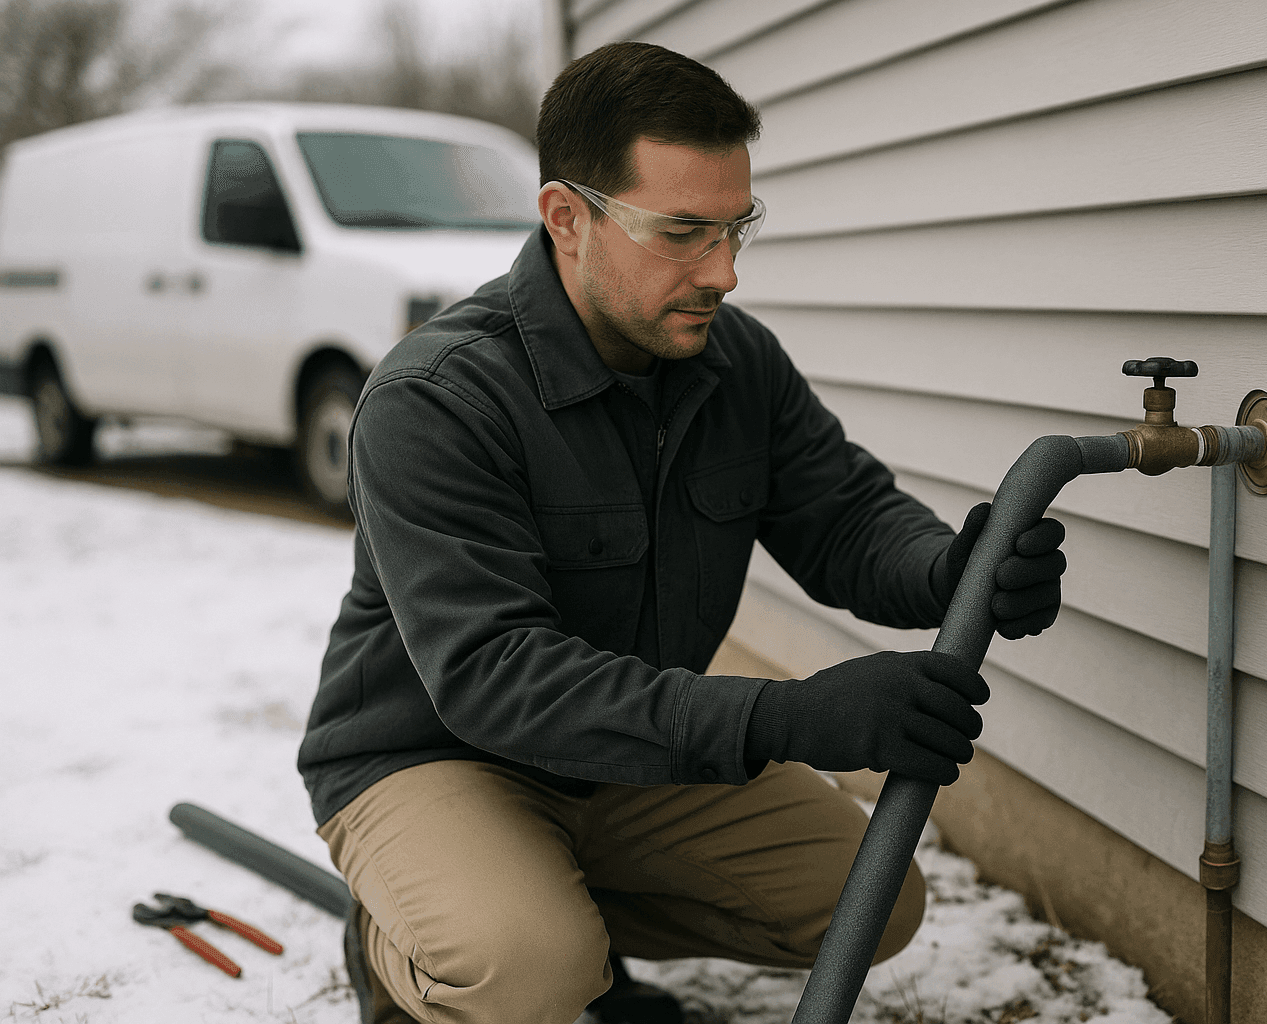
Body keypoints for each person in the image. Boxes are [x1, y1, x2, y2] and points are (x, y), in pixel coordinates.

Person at [297, 40, 1068, 1024]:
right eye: (683, 233)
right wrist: (781, 718)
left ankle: (566, 920)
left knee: (867, 903)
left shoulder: (731, 362)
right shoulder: (436, 398)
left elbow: (844, 515)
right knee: (522, 966)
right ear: (566, 218)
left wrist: (958, 567)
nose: (726, 273)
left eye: (737, 229)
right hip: (432, 756)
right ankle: (409, 936)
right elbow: (495, 672)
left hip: (624, 755)